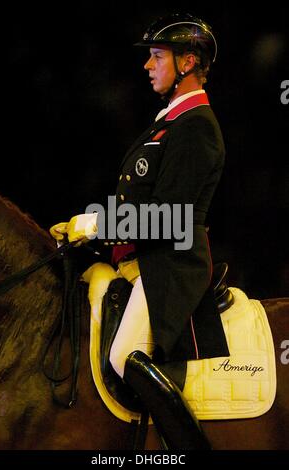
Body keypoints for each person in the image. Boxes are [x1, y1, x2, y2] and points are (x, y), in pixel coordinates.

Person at [50, 12, 229, 449]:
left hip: (171, 264)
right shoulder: (168, 121)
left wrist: (96, 224)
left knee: (121, 355)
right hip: (140, 257)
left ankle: (188, 450)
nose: (147, 66)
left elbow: (169, 216)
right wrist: (85, 235)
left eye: (156, 56)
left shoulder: (196, 127)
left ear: (187, 62)